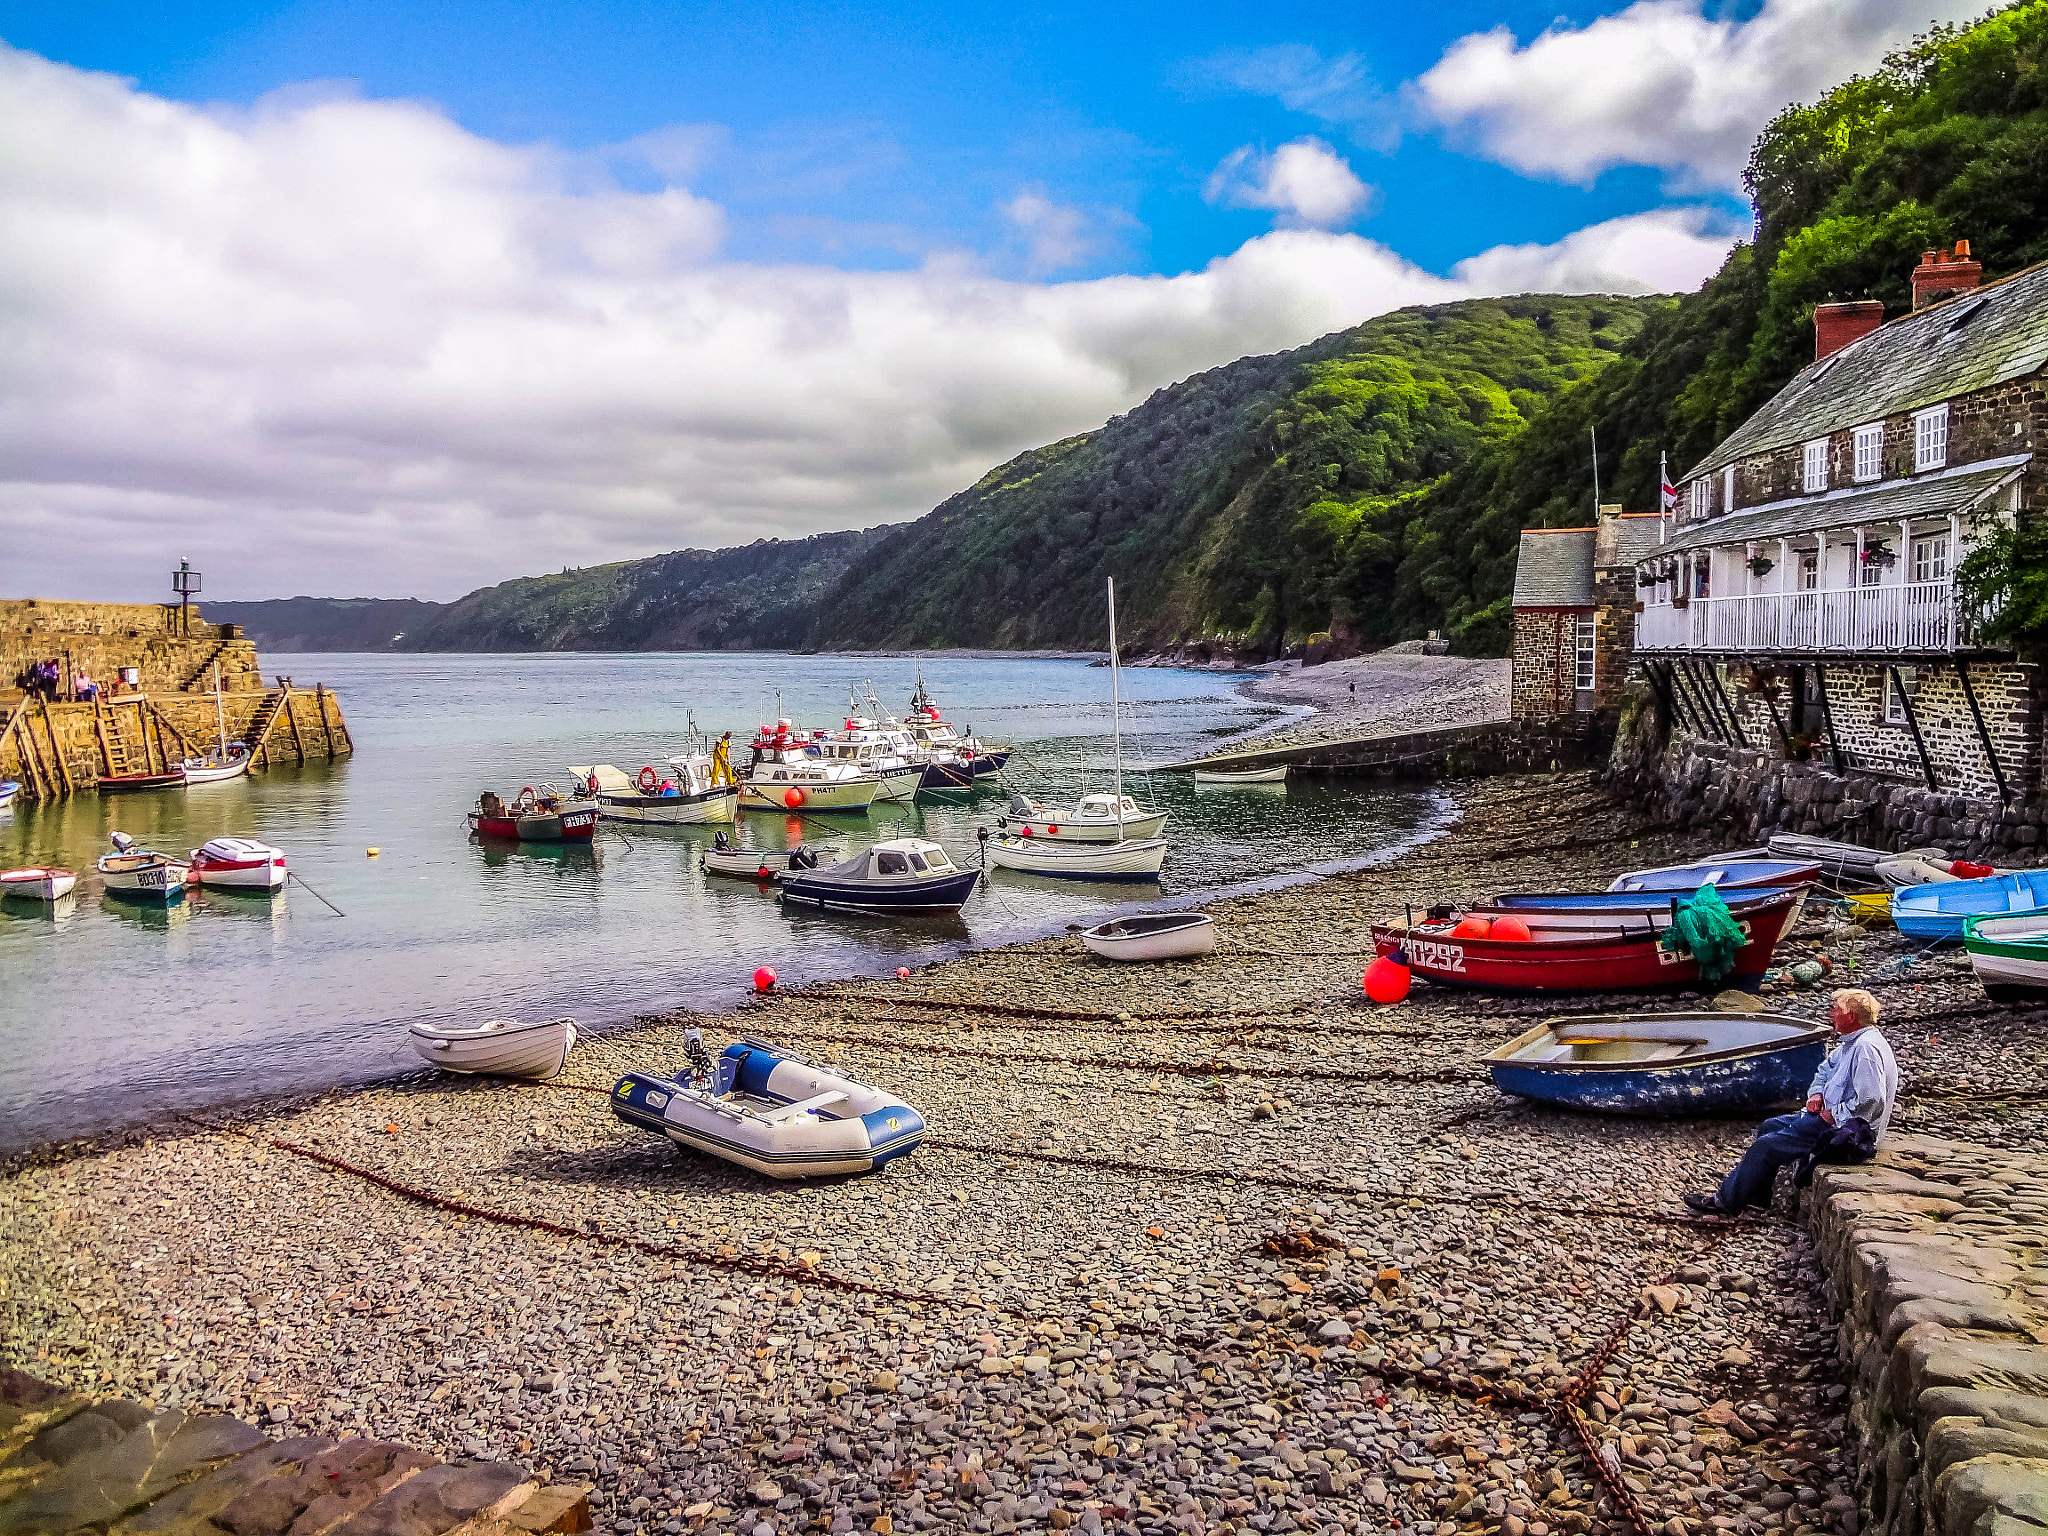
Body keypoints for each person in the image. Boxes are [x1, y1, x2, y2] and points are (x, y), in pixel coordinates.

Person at [1683, 988, 1898, 1215]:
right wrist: (1816, 1094)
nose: (1830, 1014)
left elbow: (1872, 1099)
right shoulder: (1851, 1042)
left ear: (1851, 1016)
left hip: (1848, 1130)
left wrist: (1835, 1114)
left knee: (1765, 1147)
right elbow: (1824, 1071)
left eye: (1835, 1009)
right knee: (1770, 1126)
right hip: (1830, 1115)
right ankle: (1757, 1198)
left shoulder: (1866, 1048)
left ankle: (1725, 1202)